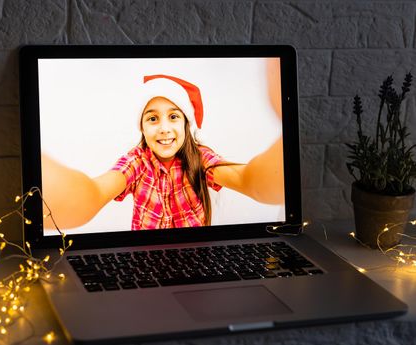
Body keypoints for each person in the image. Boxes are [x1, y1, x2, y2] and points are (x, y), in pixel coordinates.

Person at [42, 73, 284, 230]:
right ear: (143, 128)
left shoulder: (199, 158)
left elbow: (248, 179)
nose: (164, 129)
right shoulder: (137, 162)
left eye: (173, 116)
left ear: (186, 124)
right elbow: (93, 193)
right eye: (153, 118)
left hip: (195, 264)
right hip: (145, 266)